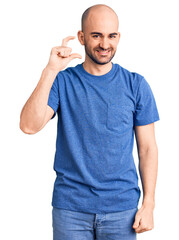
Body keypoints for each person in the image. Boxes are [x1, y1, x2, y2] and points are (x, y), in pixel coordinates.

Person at [19, 4, 160, 240]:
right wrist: (50, 70)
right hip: (70, 209)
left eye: (111, 36)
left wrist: (149, 204)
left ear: (118, 37)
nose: (105, 44)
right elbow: (28, 126)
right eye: (96, 35)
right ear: (82, 37)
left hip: (122, 210)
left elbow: (147, 149)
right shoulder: (62, 81)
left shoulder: (136, 85)